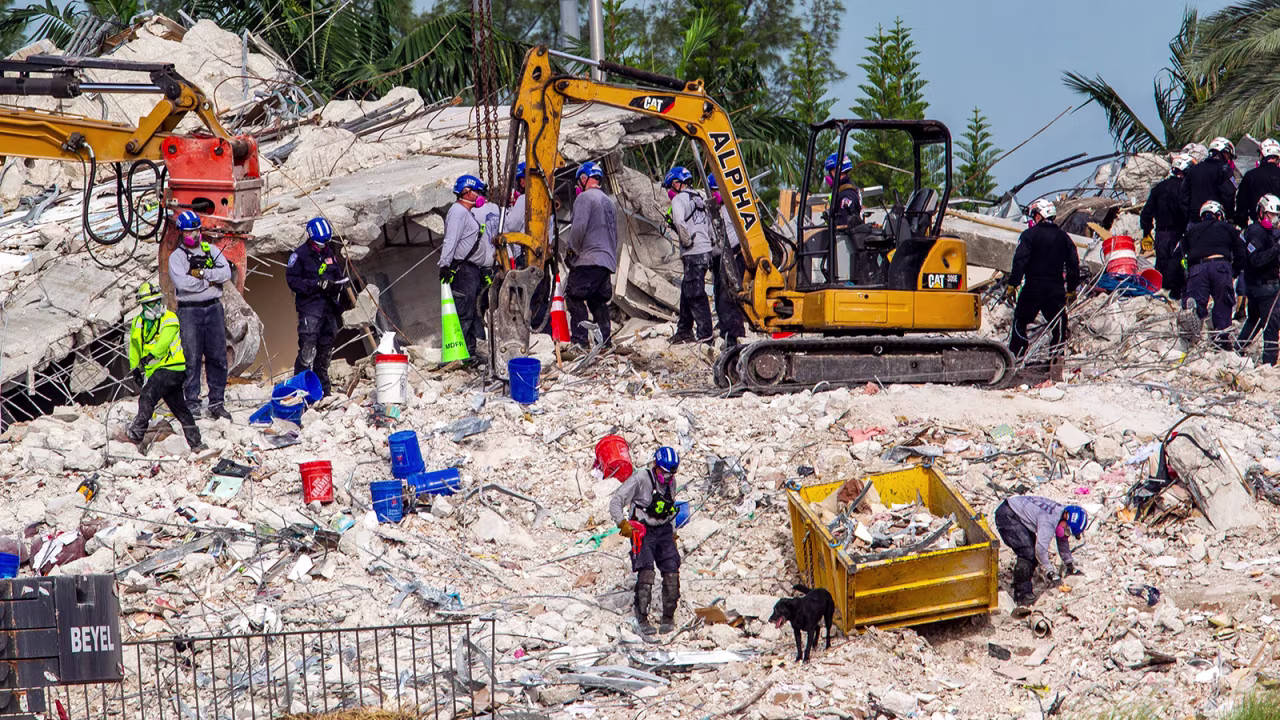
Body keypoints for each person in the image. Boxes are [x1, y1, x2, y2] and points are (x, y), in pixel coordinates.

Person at [167, 210, 233, 420]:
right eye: (189, 231)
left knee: (217, 356)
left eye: (197, 230)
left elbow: (226, 273)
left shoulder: (211, 250)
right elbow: (183, 284)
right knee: (191, 357)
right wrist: (209, 282)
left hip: (213, 308)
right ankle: (192, 403)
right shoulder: (176, 258)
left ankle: (217, 402)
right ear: (181, 232)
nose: (194, 235)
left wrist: (204, 274)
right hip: (189, 312)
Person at [610, 446, 682, 634]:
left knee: (672, 571)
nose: (667, 478)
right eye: (664, 472)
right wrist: (622, 523)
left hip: (664, 530)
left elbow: (670, 508)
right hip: (643, 530)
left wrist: (673, 533)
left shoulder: (671, 484)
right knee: (647, 573)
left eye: (671, 474)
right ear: (656, 466)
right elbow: (616, 500)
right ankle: (642, 618)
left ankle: (668, 617)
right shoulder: (641, 479)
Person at [127, 282, 204, 453]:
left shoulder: (170, 318)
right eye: (149, 303)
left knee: (147, 396)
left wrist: (150, 356)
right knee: (179, 408)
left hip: (173, 368)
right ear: (142, 305)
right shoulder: (138, 323)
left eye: (156, 302)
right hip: (156, 371)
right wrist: (135, 368)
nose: (154, 306)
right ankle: (196, 443)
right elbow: (133, 346)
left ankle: (135, 435)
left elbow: (163, 344)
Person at [1004, 199, 1081, 365]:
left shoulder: (1029, 235)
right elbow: (1074, 263)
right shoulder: (1064, 237)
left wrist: (1013, 284)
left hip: (1033, 287)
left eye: (1035, 215)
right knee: (1059, 323)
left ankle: (1016, 358)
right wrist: (1071, 289)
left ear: (1040, 215)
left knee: (1020, 321)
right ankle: (1056, 359)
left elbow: (1020, 261)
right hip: (1055, 289)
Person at [286, 217, 349, 394]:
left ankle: (323, 389)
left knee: (325, 349)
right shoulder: (299, 256)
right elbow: (293, 281)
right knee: (308, 348)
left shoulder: (329, 253)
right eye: (320, 243)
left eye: (325, 243)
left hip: (328, 306)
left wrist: (337, 285)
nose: (323, 246)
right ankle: (300, 388)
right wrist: (316, 284)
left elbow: (336, 274)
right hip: (310, 307)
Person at [993, 496, 1087, 607]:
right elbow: (1041, 550)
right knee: (1027, 553)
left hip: (1016, 512)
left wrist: (1069, 563)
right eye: (1067, 529)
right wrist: (1050, 572)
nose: (1066, 532)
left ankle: (1020, 582)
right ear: (1066, 516)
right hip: (1008, 515)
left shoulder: (1062, 514)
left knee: (1031, 553)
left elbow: (1062, 539)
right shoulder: (1049, 521)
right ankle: (1022, 596)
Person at [564, 161, 619, 352]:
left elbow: (578, 228)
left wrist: (571, 251)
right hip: (606, 261)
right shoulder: (609, 202)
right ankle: (604, 342)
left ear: (584, 178)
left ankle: (579, 342)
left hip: (588, 260)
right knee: (598, 301)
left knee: (573, 296)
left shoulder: (585, 198)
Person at [1184, 200, 1248, 348]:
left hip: (1197, 268)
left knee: (1197, 304)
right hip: (1221, 266)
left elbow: (1180, 255)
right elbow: (1241, 251)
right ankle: (1221, 341)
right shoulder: (1228, 228)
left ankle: (1194, 341)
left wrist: (1184, 275)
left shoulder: (1191, 231)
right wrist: (1235, 271)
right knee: (1223, 304)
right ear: (1219, 215)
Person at [439, 174, 488, 361]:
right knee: (464, 311)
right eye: (477, 192)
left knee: (473, 311)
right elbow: (451, 239)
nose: (479, 195)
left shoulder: (467, 213)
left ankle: (471, 351)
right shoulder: (457, 212)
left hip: (472, 271)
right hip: (464, 271)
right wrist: (445, 264)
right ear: (467, 192)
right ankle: (461, 354)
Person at [664, 166, 715, 344]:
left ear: (677, 183)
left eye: (671, 186)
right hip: (706, 250)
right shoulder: (699, 198)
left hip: (693, 251)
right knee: (687, 290)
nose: (671, 191)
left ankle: (706, 335)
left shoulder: (679, 199)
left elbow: (679, 222)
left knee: (695, 293)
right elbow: (709, 225)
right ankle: (684, 330)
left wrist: (686, 242)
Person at [1237, 194, 1280, 363]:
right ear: (1261, 212)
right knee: (1271, 325)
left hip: (1260, 285)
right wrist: (1277, 249)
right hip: (1263, 287)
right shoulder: (1256, 232)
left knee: (1254, 320)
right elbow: (1255, 260)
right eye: (1272, 215)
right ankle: (1268, 363)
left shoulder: (1268, 233)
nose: (1275, 219)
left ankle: (1237, 350)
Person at [1141, 155, 1190, 300]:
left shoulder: (1158, 188)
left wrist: (1146, 233)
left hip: (1161, 234)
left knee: (1162, 264)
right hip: (1179, 234)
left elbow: (1146, 213)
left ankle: (1160, 295)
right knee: (1179, 266)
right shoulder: (1185, 188)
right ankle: (1176, 296)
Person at [708, 174, 746, 348]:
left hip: (733, 256)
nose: (713, 194)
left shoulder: (732, 210)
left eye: (716, 190)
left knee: (728, 297)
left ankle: (734, 334)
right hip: (720, 258)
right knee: (719, 295)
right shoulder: (716, 210)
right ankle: (726, 330)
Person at [1180, 137, 1237, 226]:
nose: (1228, 158)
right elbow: (1228, 195)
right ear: (1223, 152)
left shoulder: (1193, 169)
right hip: (1216, 220)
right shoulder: (1224, 170)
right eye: (1228, 155)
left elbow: (1184, 197)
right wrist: (1230, 216)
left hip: (1194, 221)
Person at [824, 153, 863, 230]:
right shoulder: (844, 190)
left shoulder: (847, 194)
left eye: (829, 172)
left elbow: (844, 224)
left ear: (835, 171)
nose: (828, 177)